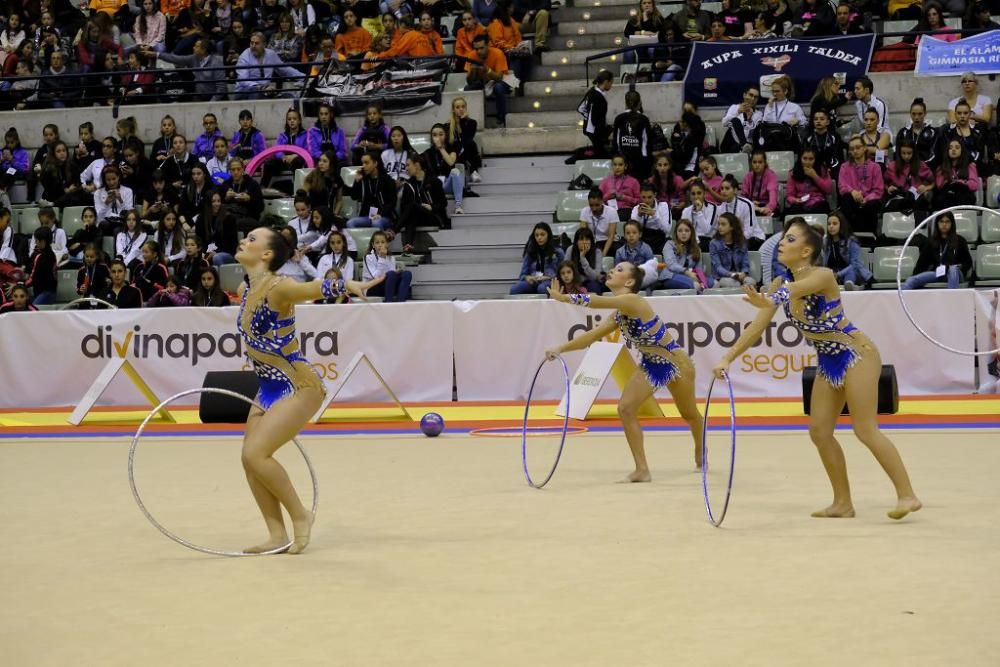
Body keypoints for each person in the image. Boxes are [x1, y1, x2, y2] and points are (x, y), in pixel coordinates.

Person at [712, 220, 922, 520]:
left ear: (806, 250)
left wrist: (770, 298)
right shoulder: (778, 285)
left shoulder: (822, 276)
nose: (781, 243)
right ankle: (842, 503)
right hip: (828, 362)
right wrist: (727, 358)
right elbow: (756, 328)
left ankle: (907, 495)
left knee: (864, 428)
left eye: (790, 239)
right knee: (819, 431)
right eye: (783, 238)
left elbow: (797, 289)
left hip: (857, 354)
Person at [234, 226, 371, 553]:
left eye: (252, 238)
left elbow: (311, 287)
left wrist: (345, 283)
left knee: (256, 453)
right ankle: (276, 534)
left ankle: (300, 514)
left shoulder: (279, 287)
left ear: (267, 254)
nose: (244, 240)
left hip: (297, 384)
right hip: (266, 387)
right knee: (249, 460)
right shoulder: (244, 288)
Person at [545, 261, 705, 480]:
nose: (611, 270)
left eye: (619, 270)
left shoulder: (633, 301)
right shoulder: (620, 314)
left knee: (689, 414)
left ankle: (700, 450)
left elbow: (595, 301)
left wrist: (565, 298)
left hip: (676, 363)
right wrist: (560, 348)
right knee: (626, 409)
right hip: (651, 364)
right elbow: (590, 337)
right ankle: (642, 469)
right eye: (614, 268)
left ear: (629, 281)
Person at [902, 211, 973, 290]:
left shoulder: (960, 240)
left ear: (952, 223)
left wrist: (960, 267)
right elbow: (922, 264)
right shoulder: (931, 242)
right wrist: (917, 278)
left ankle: (951, 300)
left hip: (956, 274)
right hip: (938, 273)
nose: (944, 225)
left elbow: (968, 262)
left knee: (953, 269)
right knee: (911, 280)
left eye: (947, 222)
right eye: (941, 221)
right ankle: (901, 301)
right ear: (937, 223)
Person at [149, 39, 227, 101]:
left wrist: (211, 103)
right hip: (200, 95)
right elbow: (176, 59)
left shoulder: (216, 63)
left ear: (203, 50)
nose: (193, 48)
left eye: (196, 46)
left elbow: (221, 87)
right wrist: (157, 54)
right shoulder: (194, 58)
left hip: (215, 98)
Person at [235, 31, 306, 98]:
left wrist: (305, 77)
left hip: (265, 91)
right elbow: (243, 81)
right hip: (244, 92)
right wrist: (260, 87)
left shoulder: (271, 54)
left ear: (264, 44)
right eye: (251, 43)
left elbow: (285, 70)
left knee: (287, 96)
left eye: (256, 43)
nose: (253, 46)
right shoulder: (244, 56)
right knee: (256, 94)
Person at [837, 137, 883, 237]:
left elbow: (878, 190)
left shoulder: (875, 167)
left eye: (858, 147)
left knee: (873, 204)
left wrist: (866, 199)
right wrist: (852, 192)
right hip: (852, 201)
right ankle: (848, 234)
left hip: (869, 202)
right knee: (846, 197)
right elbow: (842, 186)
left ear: (865, 148)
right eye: (852, 149)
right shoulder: (844, 167)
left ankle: (869, 237)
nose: (855, 151)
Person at [465, 33, 512, 128]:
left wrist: (488, 70)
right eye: (476, 49)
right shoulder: (471, 55)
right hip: (483, 81)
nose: (478, 51)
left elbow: (499, 77)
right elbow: (469, 82)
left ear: (488, 46)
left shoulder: (498, 53)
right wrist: (473, 71)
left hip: (501, 81)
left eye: (481, 48)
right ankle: (472, 120)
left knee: (499, 87)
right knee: (467, 88)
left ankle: (501, 118)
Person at [654, 218, 711, 291]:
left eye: (687, 230)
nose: (683, 233)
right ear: (676, 233)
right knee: (695, 285)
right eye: (680, 231)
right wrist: (687, 272)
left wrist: (699, 277)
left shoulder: (697, 248)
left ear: (691, 233)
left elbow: (698, 268)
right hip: (670, 276)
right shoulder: (669, 245)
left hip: (690, 276)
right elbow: (671, 265)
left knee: (713, 283)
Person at [510, 222, 564, 295]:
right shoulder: (530, 252)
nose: (539, 238)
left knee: (541, 288)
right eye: (537, 235)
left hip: (550, 282)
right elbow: (522, 275)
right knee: (514, 289)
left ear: (548, 235)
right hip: (534, 282)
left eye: (542, 235)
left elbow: (562, 274)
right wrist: (528, 278)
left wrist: (548, 277)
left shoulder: (558, 252)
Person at [822, 210, 871, 290]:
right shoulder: (825, 241)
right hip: (834, 275)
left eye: (835, 224)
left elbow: (855, 264)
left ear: (841, 225)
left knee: (851, 270)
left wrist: (838, 274)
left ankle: (850, 286)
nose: (831, 226)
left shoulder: (851, 241)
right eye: (829, 224)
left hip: (851, 272)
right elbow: (825, 265)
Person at [362, 230, 412, 301]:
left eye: (383, 242)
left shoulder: (391, 258)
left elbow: (391, 276)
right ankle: (389, 303)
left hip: (387, 286)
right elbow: (376, 277)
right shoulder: (368, 257)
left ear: (387, 244)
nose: (380, 245)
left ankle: (401, 302)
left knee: (407, 274)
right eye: (377, 242)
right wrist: (382, 258)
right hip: (372, 288)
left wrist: (396, 272)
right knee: (391, 274)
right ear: (373, 245)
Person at [710, 212, 756, 287]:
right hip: (723, 277)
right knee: (732, 283)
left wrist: (744, 273)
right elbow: (718, 267)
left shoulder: (742, 242)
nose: (720, 227)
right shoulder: (714, 243)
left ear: (732, 227)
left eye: (723, 224)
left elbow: (745, 263)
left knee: (751, 282)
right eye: (719, 224)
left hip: (739, 275)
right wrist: (732, 274)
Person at [785, 148, 832, 215]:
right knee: (793, 210)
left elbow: (828, 190)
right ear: (800, 159)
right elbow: (789, 196)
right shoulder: (793, 173)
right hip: (800, 202)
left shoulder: (823, 170)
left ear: (815, 160)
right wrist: (795, 200)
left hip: (818, 202)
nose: (807, 162)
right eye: (805, 158)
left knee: (822, 208)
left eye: (811, 159)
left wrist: (815, 176)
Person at [720, 87, 761, 154]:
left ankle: (744, 147)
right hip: (734, 142)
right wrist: (738, 112)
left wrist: (749, 120)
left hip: (750, 144)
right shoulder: (734, 107)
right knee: (735, 121)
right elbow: (724, 123)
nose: (753, 99)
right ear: (744, 95)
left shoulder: (758, 114)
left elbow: (751, 135)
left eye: (755, 97)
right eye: (751, 95)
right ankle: (743, 146)